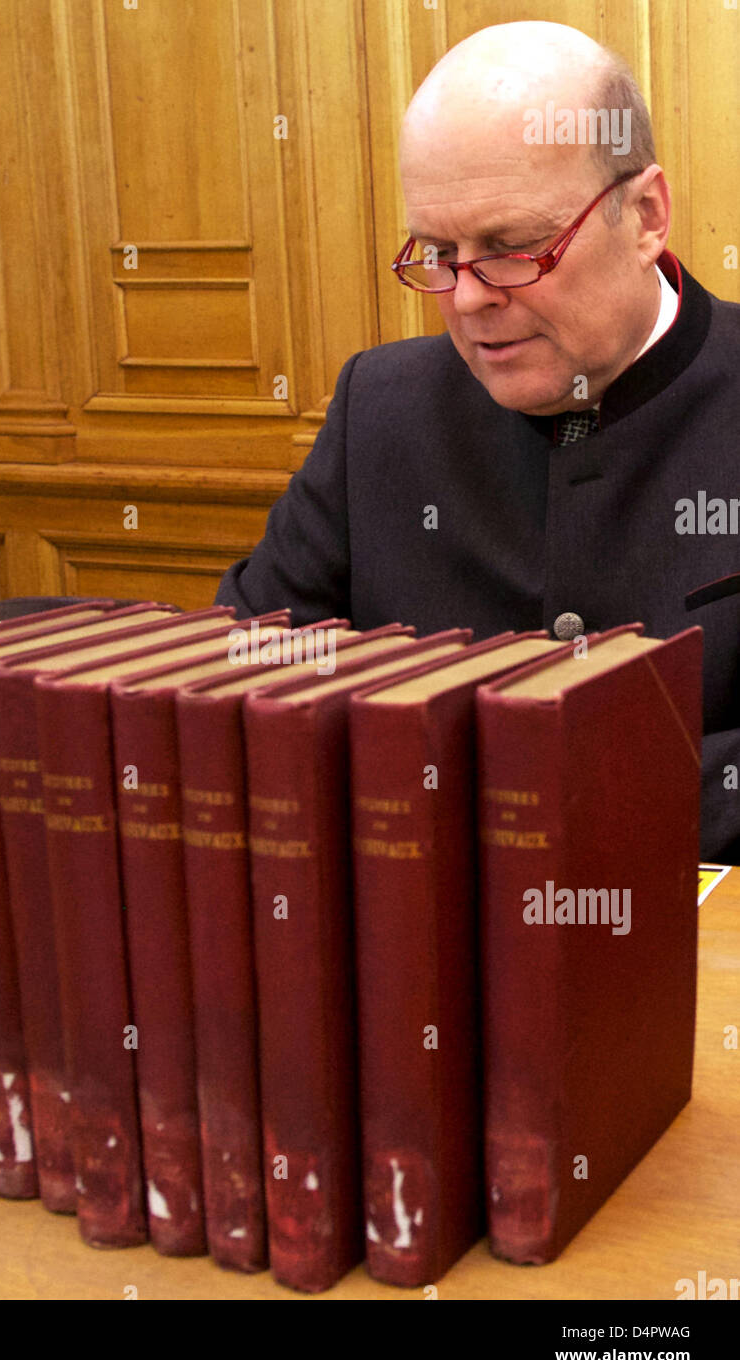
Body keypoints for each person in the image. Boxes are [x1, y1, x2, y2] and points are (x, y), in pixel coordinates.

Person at [215, 20, 740, 863]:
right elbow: (246, 672)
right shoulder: (377, 406)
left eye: (512, 249)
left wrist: (526, 790)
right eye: (437, 252)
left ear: (644, 215)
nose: (464, 298)